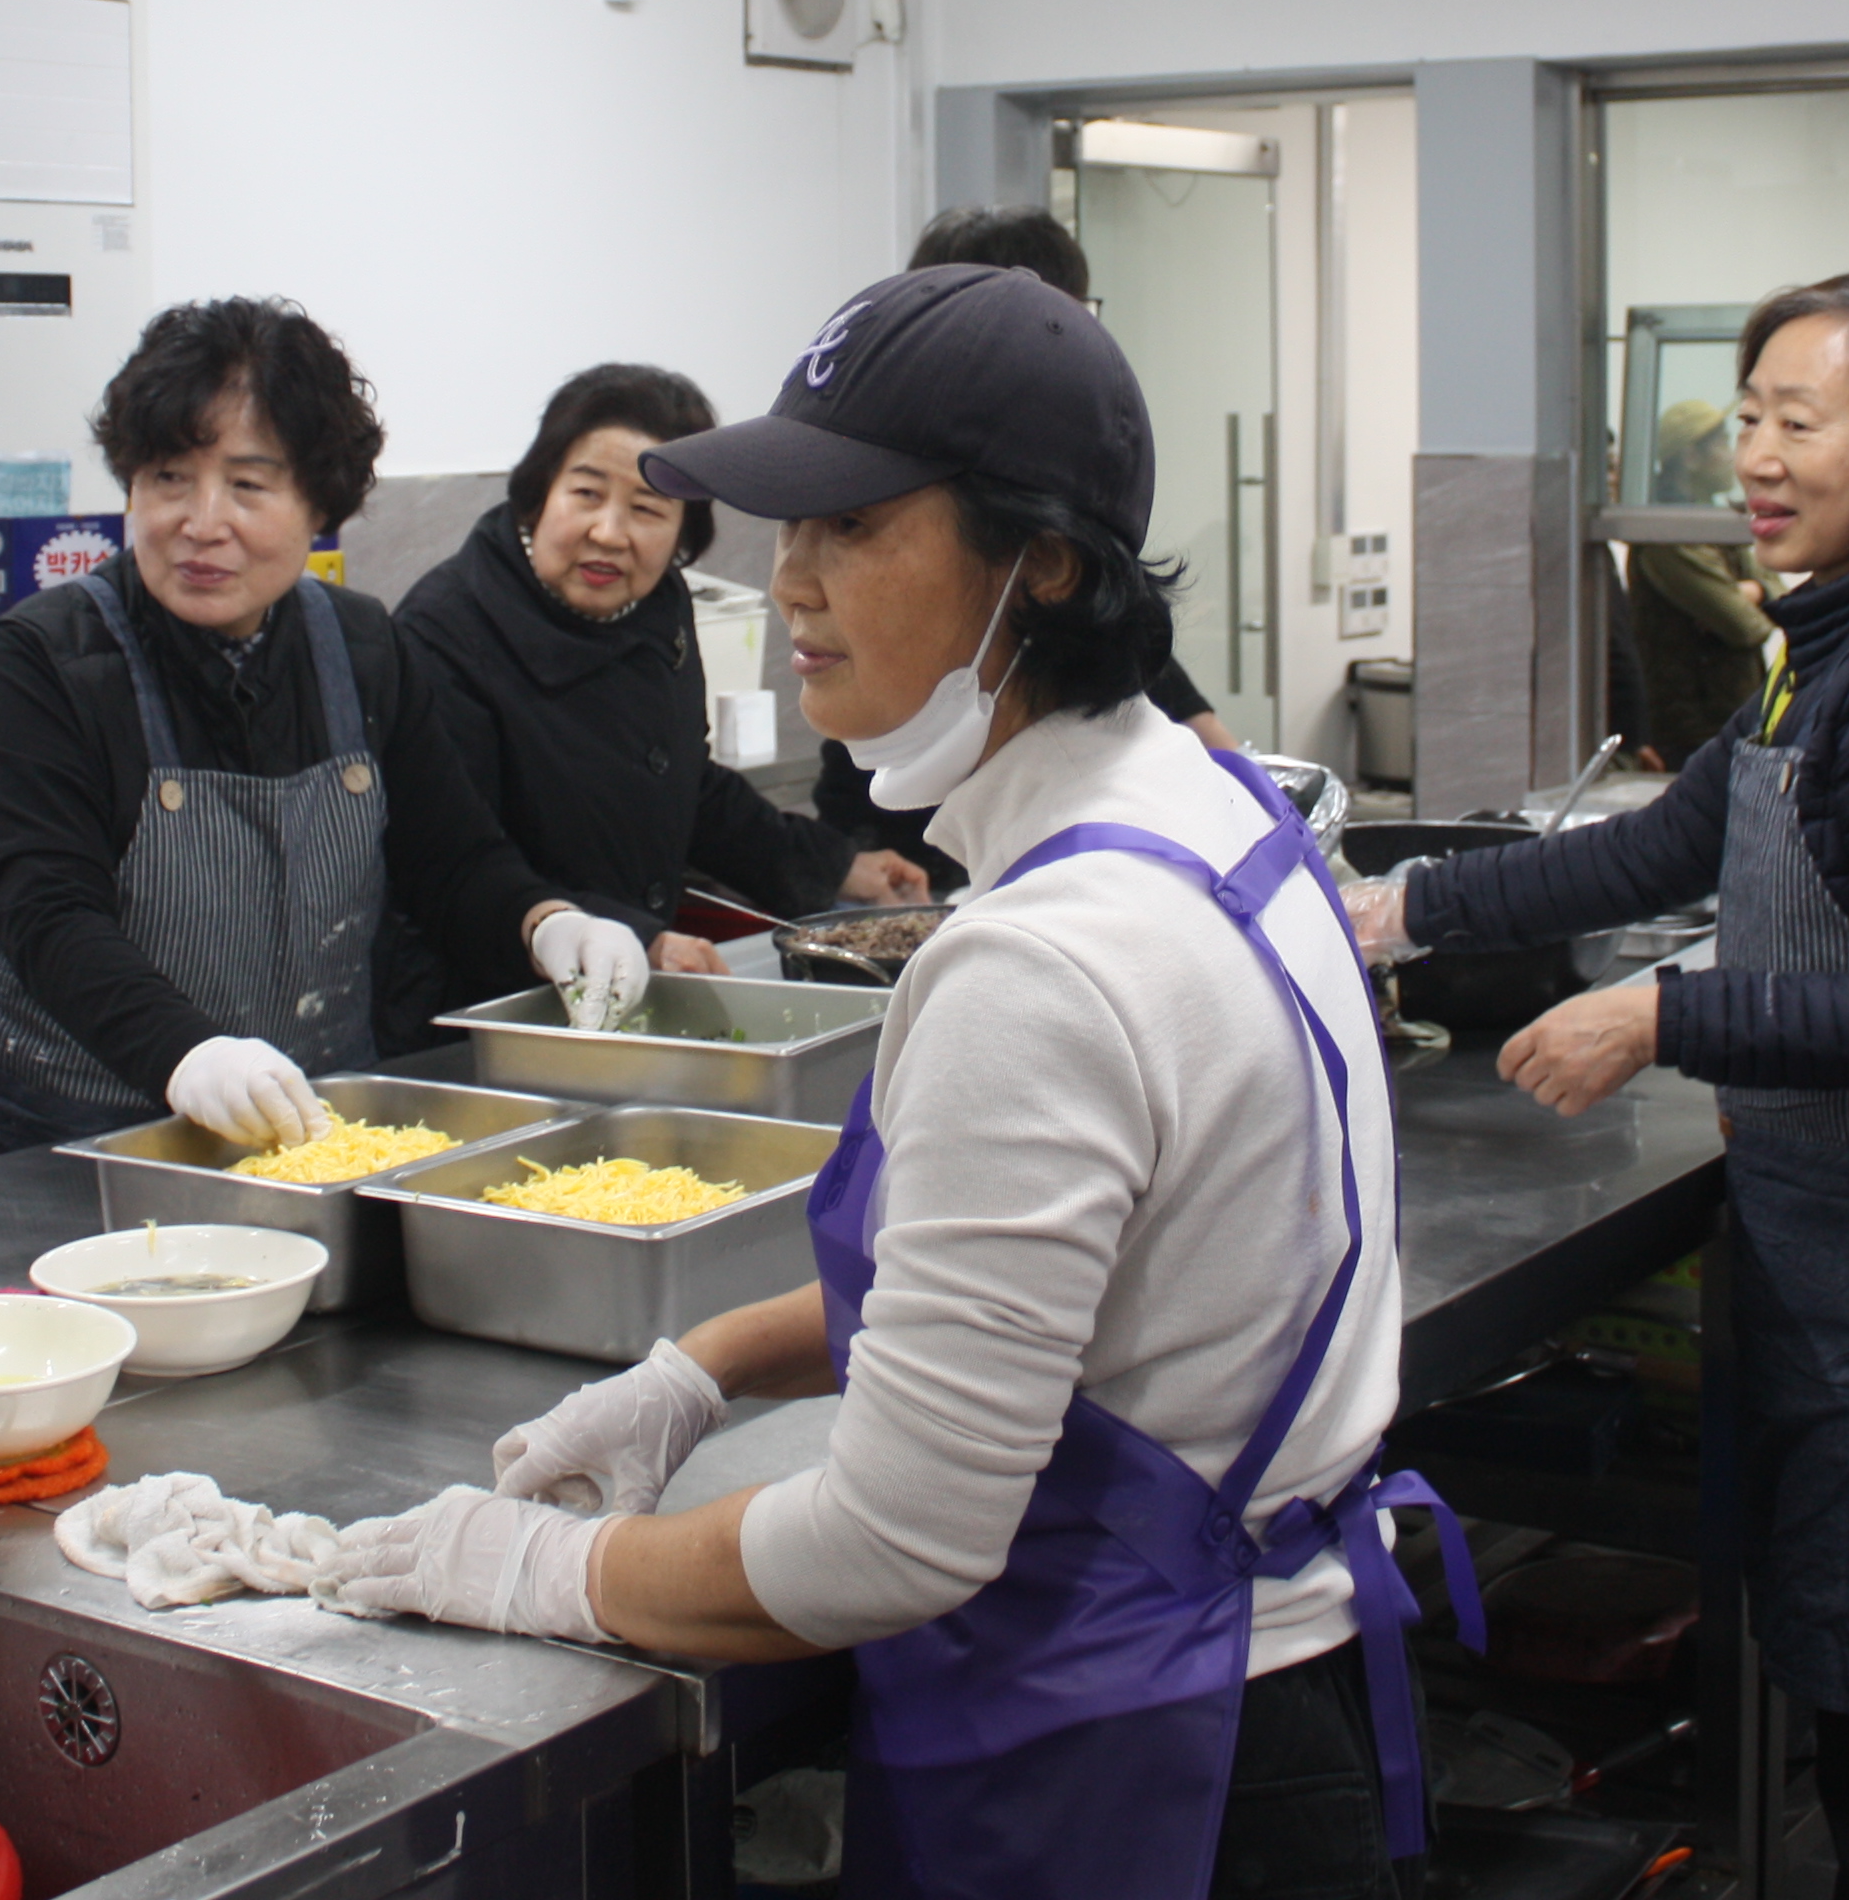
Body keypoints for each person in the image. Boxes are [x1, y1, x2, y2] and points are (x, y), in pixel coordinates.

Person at [325, 265, 1428, 1900]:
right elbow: (1037, 1299)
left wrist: (549, 1569)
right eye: (789, 530)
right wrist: (706, 1365)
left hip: (1137, 1765)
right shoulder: (1222, 815)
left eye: (853, 527)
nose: (791, 581)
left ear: (1041, 562)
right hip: (1272, 1687)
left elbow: (892, 1540)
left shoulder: (1038, 967)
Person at [1356, 271, 1849, 1900]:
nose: (1754, 455)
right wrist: (1400, 909)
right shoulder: (1830, 643)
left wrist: (1658, 1014)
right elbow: (1657, 846)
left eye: (1799, 420)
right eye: (1749, 415)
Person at [0, 301, 651, 1166]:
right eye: (168, 478)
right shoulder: (42, 661)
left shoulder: (364, 648)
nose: (201, 522)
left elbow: (451, 861)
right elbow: (47, 914)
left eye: (248, 486)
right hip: (43, 1123)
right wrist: (187, 1054)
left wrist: (549, 922)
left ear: (319, 502)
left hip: (286, 1117)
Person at [396, 363, 924, 981]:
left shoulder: (658, 606)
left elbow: (684, 787)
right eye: (586, 494)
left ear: (684, 533)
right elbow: (459, 866)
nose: (608, 533)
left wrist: (834, 866)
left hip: (621, 985)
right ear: (539, 493)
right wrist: (636, 939)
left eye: (647, 508)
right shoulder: (444, 633)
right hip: (491, 993)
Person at [812, 205, 1241, 888]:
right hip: (905, 862)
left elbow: (1199, 732)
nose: (792, 585)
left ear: (1048, 566)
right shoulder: (924, 481)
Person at [1630, 397, 1777, 763]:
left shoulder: (1714, 518)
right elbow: (1746, 626)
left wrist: (1756, 589)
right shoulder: (1669, 531)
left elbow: (1781, 593)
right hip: (1693, 732)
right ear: (1691, 457)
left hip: (1726, 721)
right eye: (1723, 443)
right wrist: (1750, 596)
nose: (1733, 456)